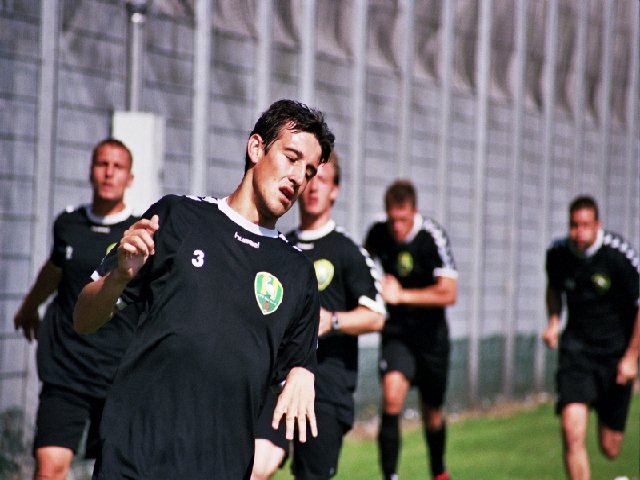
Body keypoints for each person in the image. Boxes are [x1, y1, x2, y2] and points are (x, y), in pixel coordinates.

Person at [72, 99, 335, 479]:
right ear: (256, 147)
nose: (298, 177)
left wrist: (302, 373)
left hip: (220, 466)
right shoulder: (177, 218)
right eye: (291, 157)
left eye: (309, 171)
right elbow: (83, 317)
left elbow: (298, 366)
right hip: (133, 457)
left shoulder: (297, 273)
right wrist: (118, 278)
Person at [252, 151, 386, 480]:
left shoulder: (347, 251)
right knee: (257, 467)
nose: (313, 188)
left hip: (325, 390)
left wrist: (333, 321)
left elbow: (376, 316)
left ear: (335, 190)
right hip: (275, 384)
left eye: (322, 180)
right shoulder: (278, 245)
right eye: (308, 179)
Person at [13, 138, 139, 480]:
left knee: (113, 472)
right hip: (65, 367)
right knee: (50, 468)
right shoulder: (67, 224)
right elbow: (55, 271)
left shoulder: (139, 234)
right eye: (102, 164)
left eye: (118, 167)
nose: (109, 173)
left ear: (130, 178)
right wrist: (29, 308)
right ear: (91, 171)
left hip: (115, 371)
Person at [364, 179, 457, 480]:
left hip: (432, 339)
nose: (397, 227)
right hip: (398, 335)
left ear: (414, 212)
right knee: (391, 395)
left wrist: (402, 295)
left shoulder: (432, 237)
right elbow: (362, 269)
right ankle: (389, 476)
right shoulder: (378, 233)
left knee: (432, 413)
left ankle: (438, 471)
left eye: (403, 220)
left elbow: (449, 293)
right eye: (392, 219)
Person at [543, 195, 639, 480]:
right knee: (571, 431)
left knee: (610, 447)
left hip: (615, 355)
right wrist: (553, 321)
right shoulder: (558, 253)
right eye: (574, 225)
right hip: (577, 353)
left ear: (598, 224)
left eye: (585, 225)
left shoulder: (619, 255)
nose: (579, 233)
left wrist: (632, 357)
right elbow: (553, 290)